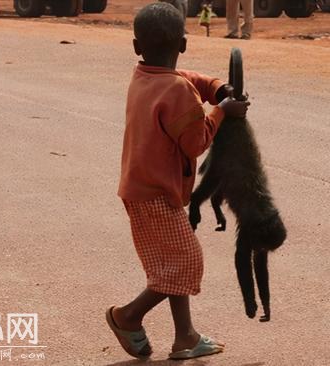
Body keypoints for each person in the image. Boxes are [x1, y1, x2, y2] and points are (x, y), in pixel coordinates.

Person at [105, 2, 250, 361]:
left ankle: (185, 336)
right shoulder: (176, 91)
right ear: (183, 43)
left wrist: (217, 88)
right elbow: (197, 140)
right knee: (185, 263)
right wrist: (222, 111)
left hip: (141, 188)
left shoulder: (144, 76)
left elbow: (187, 78)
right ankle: (128, 316)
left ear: (137, 47)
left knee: (172, 262)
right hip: (156, 193)